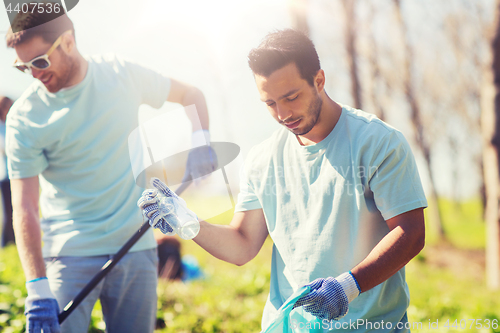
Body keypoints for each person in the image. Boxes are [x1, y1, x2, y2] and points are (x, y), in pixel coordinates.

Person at [140, 29, 427, 332]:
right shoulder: (263, 159)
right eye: (270, 103)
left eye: (291, 97)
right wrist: (189, 222)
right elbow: (242, 245)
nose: (282, 113)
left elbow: (410, 233)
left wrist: (349, 286)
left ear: (319, 80)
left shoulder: (378, 142)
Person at [5, 4, 215, 333]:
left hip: (135, 245)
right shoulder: (25, 118)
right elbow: (25, 207)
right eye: (24, 67)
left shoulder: (121, 74)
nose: (35, 74)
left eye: (41, 62)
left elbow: (191, 93)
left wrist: (201, 138)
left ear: (69, 42)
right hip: (69, 254)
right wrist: (37, 289)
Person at [0, 96, 14, 248]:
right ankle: (6, 243)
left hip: (17, 175)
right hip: (5, 177)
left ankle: (15, 241)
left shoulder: (13, 124)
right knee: (7, 213)